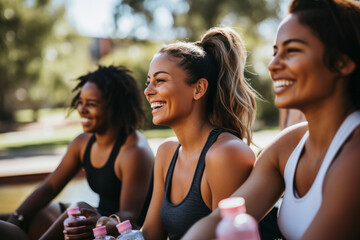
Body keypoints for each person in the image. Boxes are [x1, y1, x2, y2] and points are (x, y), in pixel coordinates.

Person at [182, 0, 360, 239]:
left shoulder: (354, 154)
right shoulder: (287, 146)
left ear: (342, 62)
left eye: (292, 50)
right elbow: (220, 221)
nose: (273, 65)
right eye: (275, 52)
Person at [2, 65, 154, 240]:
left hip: (118, 231)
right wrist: (18, 217)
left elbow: (130, 215)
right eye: (81, 102)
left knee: (78, 208)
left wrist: (98, 223)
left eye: (91, 104)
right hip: (95, 220)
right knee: (36, 212)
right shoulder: (83, 142)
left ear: (115, 108)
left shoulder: (134, 151)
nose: (81, 109)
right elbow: (49, 187)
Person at [140, 27, 257, 240]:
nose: (148, 91)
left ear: (198, 89)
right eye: (149, 82)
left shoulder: (226, 154)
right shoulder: (166, 153)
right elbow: (150, 234)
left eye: (160, 80)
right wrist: (113, 228)